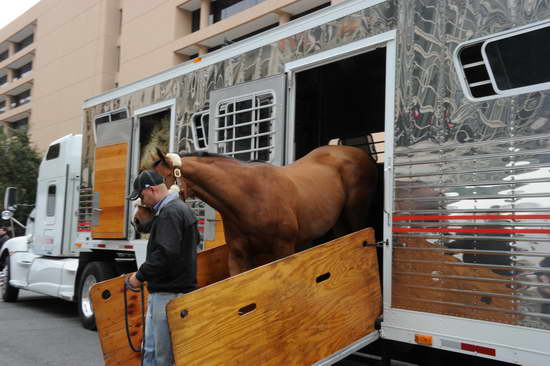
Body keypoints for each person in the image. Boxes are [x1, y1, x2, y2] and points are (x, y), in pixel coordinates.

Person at [127, 170, 199, 366]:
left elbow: (164, 255)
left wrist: (139, 276)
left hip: (168, 294)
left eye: (141, 196)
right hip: (171, 292)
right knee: (151, 350)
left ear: (150, 190)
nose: (143, 201)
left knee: (162, 356)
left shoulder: (170, 213)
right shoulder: (180, 210)